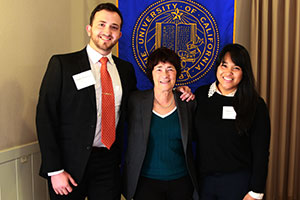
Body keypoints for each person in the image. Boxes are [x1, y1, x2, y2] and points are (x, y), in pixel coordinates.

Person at [36, 3, 194, 200]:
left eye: (114, 27)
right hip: (68, 165)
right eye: (101, 24)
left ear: (119, 34)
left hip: (108, 163)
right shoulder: (63, 64)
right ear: (89, 29)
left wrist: (176, 90)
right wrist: (54, 169)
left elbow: (140, 106)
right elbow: (45, 117)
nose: (107, 31)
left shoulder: (125, 70)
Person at [194, 43, 271, 200]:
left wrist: (256, 191)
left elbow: (261, 151)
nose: (228, 72)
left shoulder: (255, 104)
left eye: (236, 68)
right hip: (204, 182)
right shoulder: (201, 96)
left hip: (238, 183)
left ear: (244, 73)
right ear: (217, 67)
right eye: (224, 65)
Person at [123, 47, 199, 200]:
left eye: (170, 69)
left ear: (177, 73)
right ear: (151, 74)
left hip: (181, 182)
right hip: (145, 182)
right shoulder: (135, 101)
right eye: (159, 69)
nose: (165, 75)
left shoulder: (187, 103)